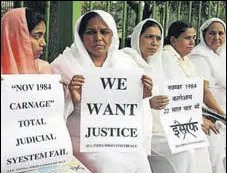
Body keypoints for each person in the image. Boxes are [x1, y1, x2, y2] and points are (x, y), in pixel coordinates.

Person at [51, 10, 153, 173]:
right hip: (84, 138)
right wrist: (74, 100)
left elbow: (134, 110)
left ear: (112, 34)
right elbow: (54, 113)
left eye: (104, 32)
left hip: (120, 136)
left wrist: (142, 96)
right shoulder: (65, 65)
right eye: (91, 32)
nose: (98, 38)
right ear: (80, 36)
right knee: (109, 163)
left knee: (139, 160)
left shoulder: (126, 64)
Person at [122, 19, 211, 173]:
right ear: (137, 37)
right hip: (141, 130)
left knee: (199, 144)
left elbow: (176, 97)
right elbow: (119, 99)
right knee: (184, 153)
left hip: (164, 125)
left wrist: (192, 119)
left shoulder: (157, 63)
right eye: (149, 37)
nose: (154, 43)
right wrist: (148, 103)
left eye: (157, 38)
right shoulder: (125, 62)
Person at [159, 21, 214, 173]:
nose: (192, 42)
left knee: (204, 142)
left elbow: (193, 96)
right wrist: (197, 119)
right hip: (170, 117)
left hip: (187, 115)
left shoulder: (186, 60)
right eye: (187, 38)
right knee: (195, 146)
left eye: (194, 38)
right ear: (173, 40)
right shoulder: (167, 57)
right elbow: (177, 96)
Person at [189, 18, 226, 173]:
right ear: (204, 35)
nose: (217, 37)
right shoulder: (199, 55)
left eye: (221, 33)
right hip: (211, 111)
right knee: (216, 142)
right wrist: (223, 114)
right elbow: (204, 92)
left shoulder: (222, 53)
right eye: (212, 33)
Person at [1, 7, 52, 74]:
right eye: (37, 36)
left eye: (43, 36)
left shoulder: (43, 69)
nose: (44, 43)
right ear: (16, 37)